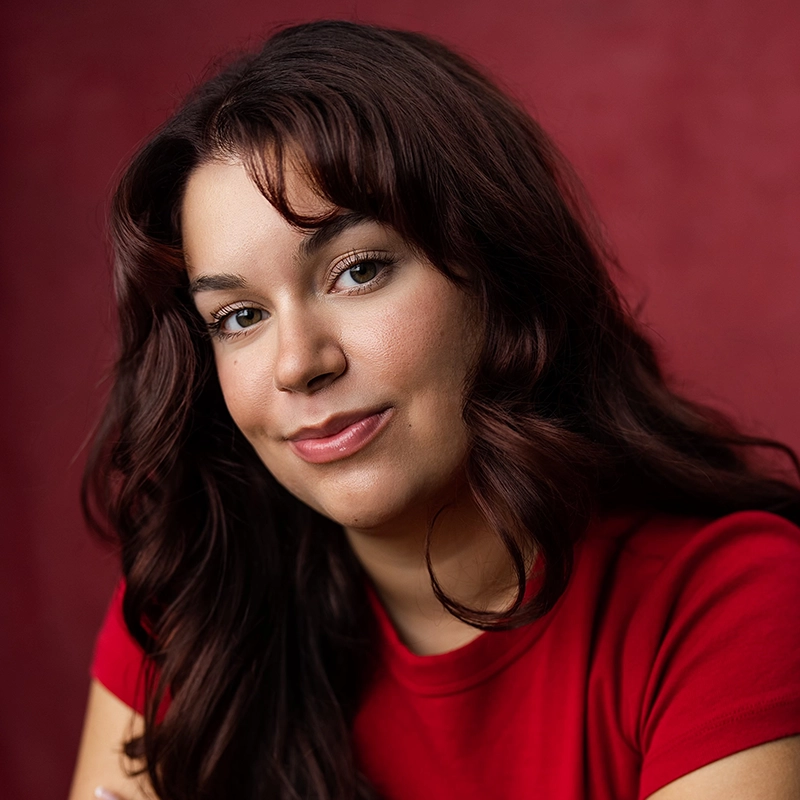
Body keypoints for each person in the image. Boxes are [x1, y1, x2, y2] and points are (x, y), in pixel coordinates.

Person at [68, 19, 800, 800]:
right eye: (240, 317)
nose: (298, 364)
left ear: (499, 271)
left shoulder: (731, 604)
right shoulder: (191, 612)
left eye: (357, 271)